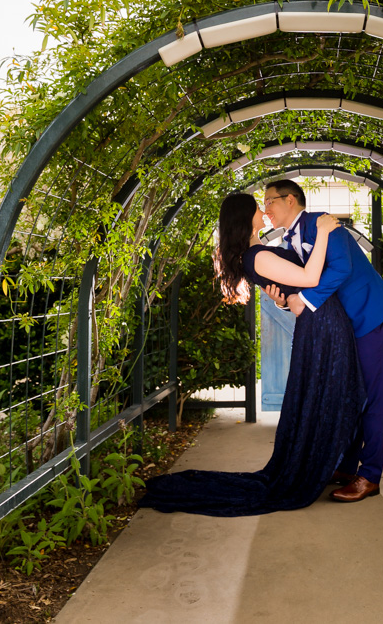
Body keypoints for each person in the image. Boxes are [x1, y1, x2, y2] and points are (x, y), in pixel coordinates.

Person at [138, 192, 367, 516]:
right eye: (257, 207)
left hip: (320, 321)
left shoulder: (258, 252)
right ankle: (316, 466)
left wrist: (282, 299)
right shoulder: (256, 256)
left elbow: (292, 288)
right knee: (331, 394)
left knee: (329, 395)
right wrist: (327, 232)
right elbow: (309, 278)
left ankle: (322, 463)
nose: (263, 210)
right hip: (322, 324)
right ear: (245, 217)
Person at [262, 179, 383, 503]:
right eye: (264, 203)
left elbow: (342, 267)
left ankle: (370, 476)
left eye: (270, 201)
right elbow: (296, 285)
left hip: (372, 316)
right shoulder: (288, 241)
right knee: (349, 394)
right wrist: (284, 300)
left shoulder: (324, 224)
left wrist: (304, 301)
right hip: (346, 327)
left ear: (291, 200)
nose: (266, 208)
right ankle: (346, 467)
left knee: (372, 400)